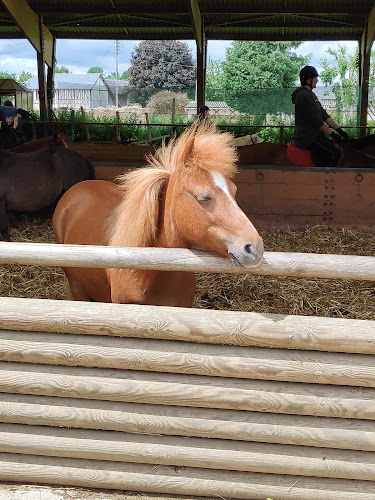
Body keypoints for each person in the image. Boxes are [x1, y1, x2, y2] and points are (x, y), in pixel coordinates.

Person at [291, 65, 349, 167]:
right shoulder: (303, 95)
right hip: (307, 136)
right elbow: (316, 121)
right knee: (334, 153)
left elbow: (323, 115)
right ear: (309, 80)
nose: (317, 81)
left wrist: (339, 130)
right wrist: (333, 134)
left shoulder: (311, 95)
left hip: (315, 135)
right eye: (315, 78)